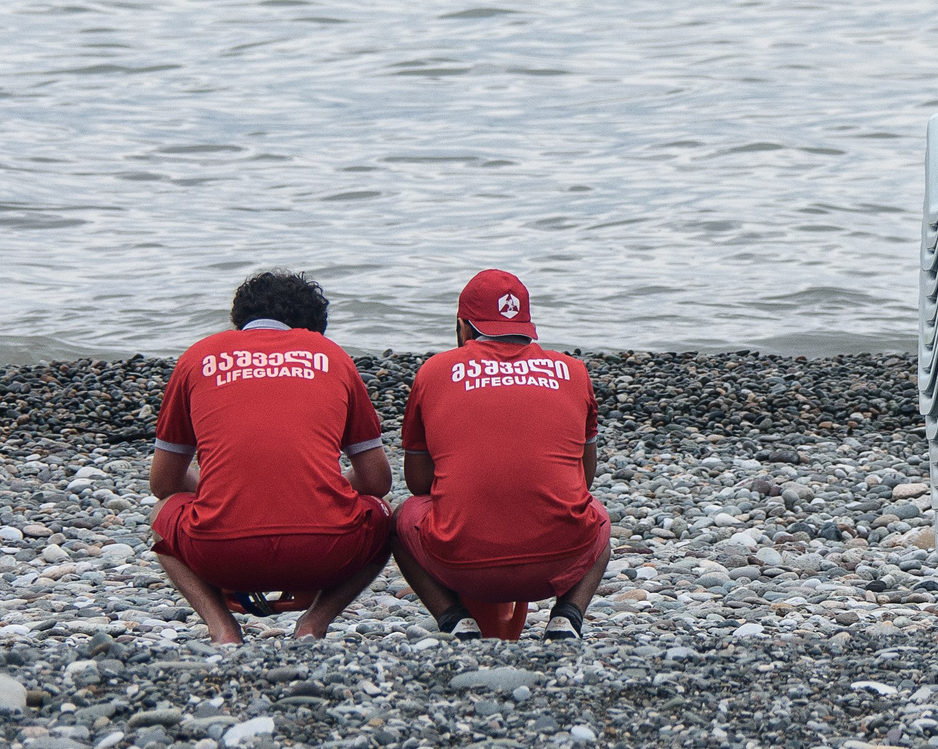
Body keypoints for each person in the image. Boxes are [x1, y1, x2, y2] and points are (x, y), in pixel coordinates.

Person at [149, 269, 393, 642]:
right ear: (310, 330)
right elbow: (377, 482)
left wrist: (220, 493)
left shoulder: (197, 357)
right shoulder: (331, 356)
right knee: (385, 517)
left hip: (219, 551)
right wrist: (318, 488)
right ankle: (314, 624)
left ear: (239, 320)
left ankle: (221, 628)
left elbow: (163, 483)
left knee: (162, 513)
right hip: (326, 548)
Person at [392, 269, 609, 640]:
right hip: (558, 561)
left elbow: (417, 483)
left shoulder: (434, 371)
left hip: (460, 561)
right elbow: (582, 479)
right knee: (599, 519)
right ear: (527, 325)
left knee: (400, 518)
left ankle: (454, 619)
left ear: (464, 325)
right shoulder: (573, 370)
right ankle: (567, 615)